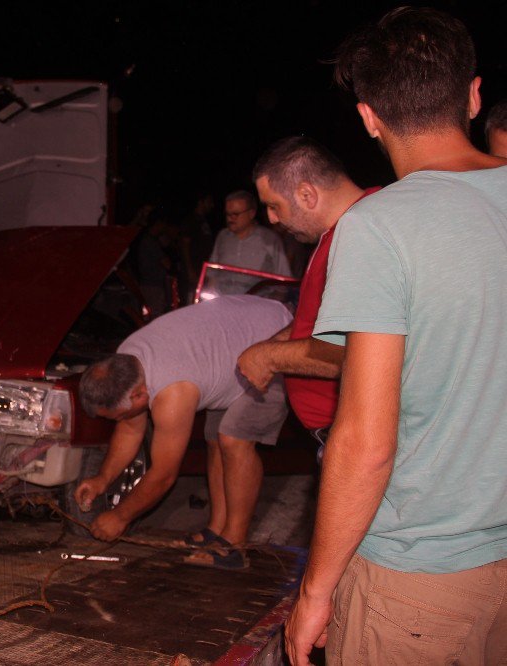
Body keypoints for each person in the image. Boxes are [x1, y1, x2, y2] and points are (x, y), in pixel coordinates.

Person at [285, 8, 507, 665]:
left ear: (369, 117)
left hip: (420, 579)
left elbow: (365, 441)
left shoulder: (380, 227)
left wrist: (315, 592)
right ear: (472, 93)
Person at [75, 295, 293, 570]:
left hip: (277, 340)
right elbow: (130, 428)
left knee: (234, 439)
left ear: (141, 394)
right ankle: (217, 531)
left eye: (119, 413)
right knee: (216, 440)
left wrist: (120, 516)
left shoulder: (172, 394)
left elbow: (164, 474)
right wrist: (102, 479)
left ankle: (235, 545)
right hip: (230, 350)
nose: (121, 420)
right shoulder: (127, 361)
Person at [237, 136, 379, 459]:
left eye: (274, 206)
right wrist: (273, 344)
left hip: (353, 439)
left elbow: (356, 353)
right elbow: (319, 323)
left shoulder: (360, 237)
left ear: (306, 194)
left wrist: (269, 357)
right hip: (336, 433)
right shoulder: (336, 234)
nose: (271, 219)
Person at [207, 190, 292, 295]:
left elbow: (283, 282)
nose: (230, 218)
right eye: (227, 214)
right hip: (223, 303)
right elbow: (212, 274)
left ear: (251, 213)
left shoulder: (270, 240)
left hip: (255, 305)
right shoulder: (222, 237)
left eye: (235, 214)